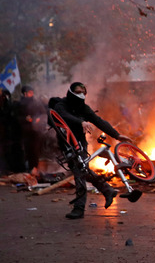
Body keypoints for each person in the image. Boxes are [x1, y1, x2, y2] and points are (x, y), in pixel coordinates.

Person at [52, 82, 132, 219]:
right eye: (78, 92)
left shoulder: (84, 108)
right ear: (70, 92)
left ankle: (79, 208)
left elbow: (98, 121)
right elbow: (64, 116)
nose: (81, 95)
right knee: (82, 171)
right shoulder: (61, 105)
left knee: (80, 172)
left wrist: (116, 135)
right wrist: (80, 122)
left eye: (84, 92)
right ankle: (107, 190)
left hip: (80, 143)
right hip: (66, 143)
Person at [16, 85, 47, 176]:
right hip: (25, 131)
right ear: (25, 94)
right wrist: (25, 119)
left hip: (36, 131)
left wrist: (38, 119)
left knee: (35, 151)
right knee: (27, 151)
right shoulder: (19, 104)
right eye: (29, 92)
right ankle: (28, 169)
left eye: (32, 92)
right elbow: (16, 117)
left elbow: (43, 113)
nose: (31, 94)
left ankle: (35, 168)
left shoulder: (36, 102)